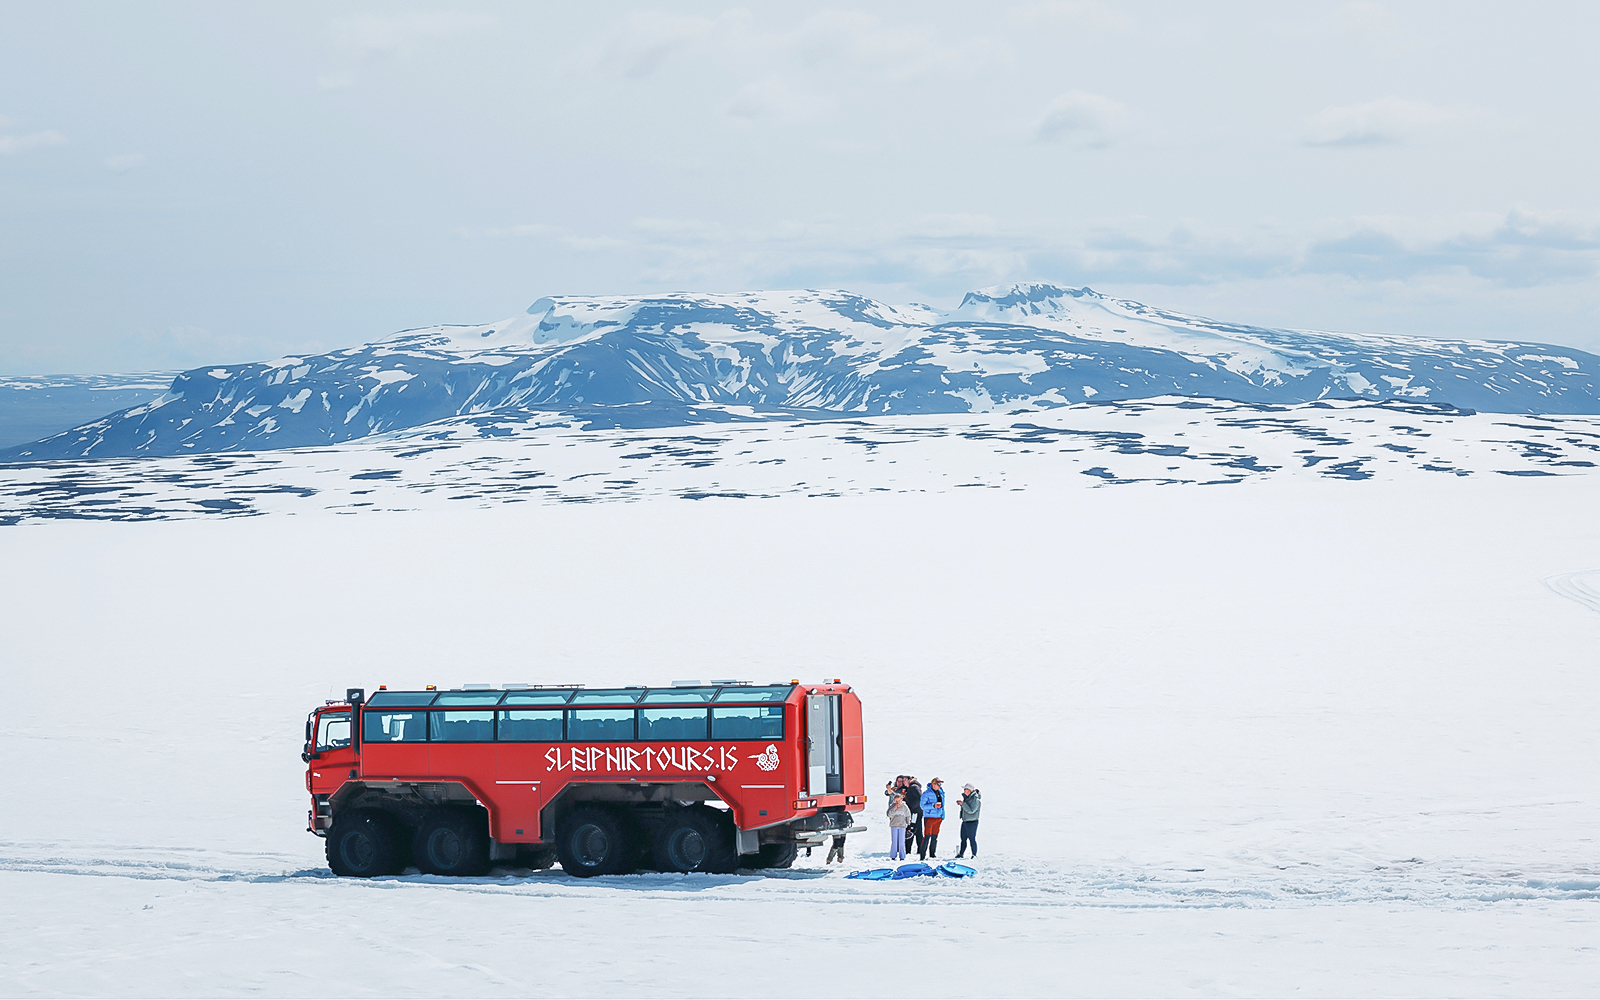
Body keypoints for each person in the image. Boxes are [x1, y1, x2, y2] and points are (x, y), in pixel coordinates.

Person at [920, 777, 946, 859]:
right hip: (929, 817)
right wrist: (933, 806)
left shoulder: (941, 792)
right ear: (933, 784)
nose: (939, 786)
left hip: (938, 818)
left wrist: (942, 815)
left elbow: (943, 805)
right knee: (927, 836)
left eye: (940, 784)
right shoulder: (926, 793)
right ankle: (922, 855)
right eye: (938, 784)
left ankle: (932, 854)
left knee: (935, 836)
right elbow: (922, 806)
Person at [955, 783, 981, 858]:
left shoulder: (975, 799)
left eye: (966, 789)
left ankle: (974, 854)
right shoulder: (967, 798)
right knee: (963, 838)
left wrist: (963, 804)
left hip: (972, 822)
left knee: (972, 838)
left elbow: (971, 811)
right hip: (965, 821)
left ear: (970, 791)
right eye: (964, 789)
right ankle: (961, 853)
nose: (964, 791)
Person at [903, 776, 924, 858]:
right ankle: (920, 849)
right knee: (918, 831)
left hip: (914, 812)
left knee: (910, 830)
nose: (904, 782)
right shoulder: (913, 787)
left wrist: (910, 807)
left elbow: (919, 798)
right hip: (917, 812)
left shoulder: (913, 787)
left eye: (905, 780)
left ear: (909, 780)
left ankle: (908, 850)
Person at [886, 792, 911, 860]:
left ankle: (902, 856)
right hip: (894, 825)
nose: (897, 802)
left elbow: (908, 815)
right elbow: (889, 814)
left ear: (901, 800)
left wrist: (908, 823)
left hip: (902, 825)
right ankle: (893, 855)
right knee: (894, 841)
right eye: (896, 801)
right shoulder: (892, 806)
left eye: (899, 801)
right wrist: (894, 808)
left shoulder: (904, 807)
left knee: (901, 842)